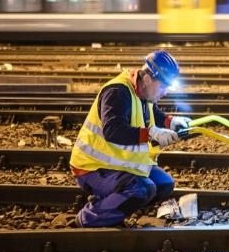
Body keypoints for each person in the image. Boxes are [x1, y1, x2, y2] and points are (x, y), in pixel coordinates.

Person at [69, 50, 191, 227]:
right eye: (163, 87)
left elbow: (151, 112)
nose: (165, 93)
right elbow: (113, 131)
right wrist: (150, 134)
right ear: (148, 79)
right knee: (141, 189)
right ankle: (88, 217)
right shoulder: (117, 92)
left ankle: (110, 204)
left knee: (164, 184)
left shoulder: (143, 91)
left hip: (116, 164)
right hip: (92, 167)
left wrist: (170, 122)